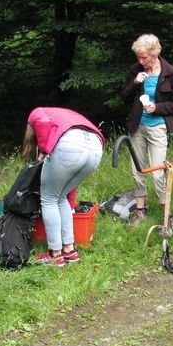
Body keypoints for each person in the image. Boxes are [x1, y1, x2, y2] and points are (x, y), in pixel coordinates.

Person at [23, 107, 105, 267]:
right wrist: (71, 201)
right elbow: (67, 191)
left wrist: (44, 150)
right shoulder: (63, 115)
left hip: (69, 144)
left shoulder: (37, 112)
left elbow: (41, 121)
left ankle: (54, 254)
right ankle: (69, 250)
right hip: (96, 146)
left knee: (48, 199)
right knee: (60, 197)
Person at [121, 34, 173, 227]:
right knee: (138, 170)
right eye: (138, 57)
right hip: (136, 126)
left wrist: (157, 108)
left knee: (157, 172)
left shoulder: (170, 73)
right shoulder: (135, 71)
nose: (141, 61)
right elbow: (123, 96)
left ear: (155, 53)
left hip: (158, 128)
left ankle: (167, 215)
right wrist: (135, 83)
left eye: (144, 57)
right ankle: (140, 211)